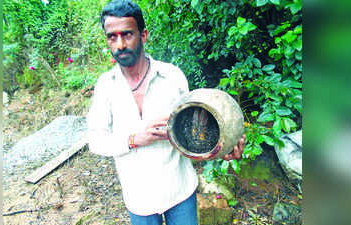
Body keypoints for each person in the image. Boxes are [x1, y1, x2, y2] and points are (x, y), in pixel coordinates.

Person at [87, 0, 245, 224]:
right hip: (138, 198)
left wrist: (221, 148)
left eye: (127, 34)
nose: (120, 44)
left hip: (179, 191)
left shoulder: (172, 77)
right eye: (112, 36)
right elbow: (96, 141)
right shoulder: (105, 86)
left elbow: (194, 133)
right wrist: (134, 139)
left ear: (143, 35)